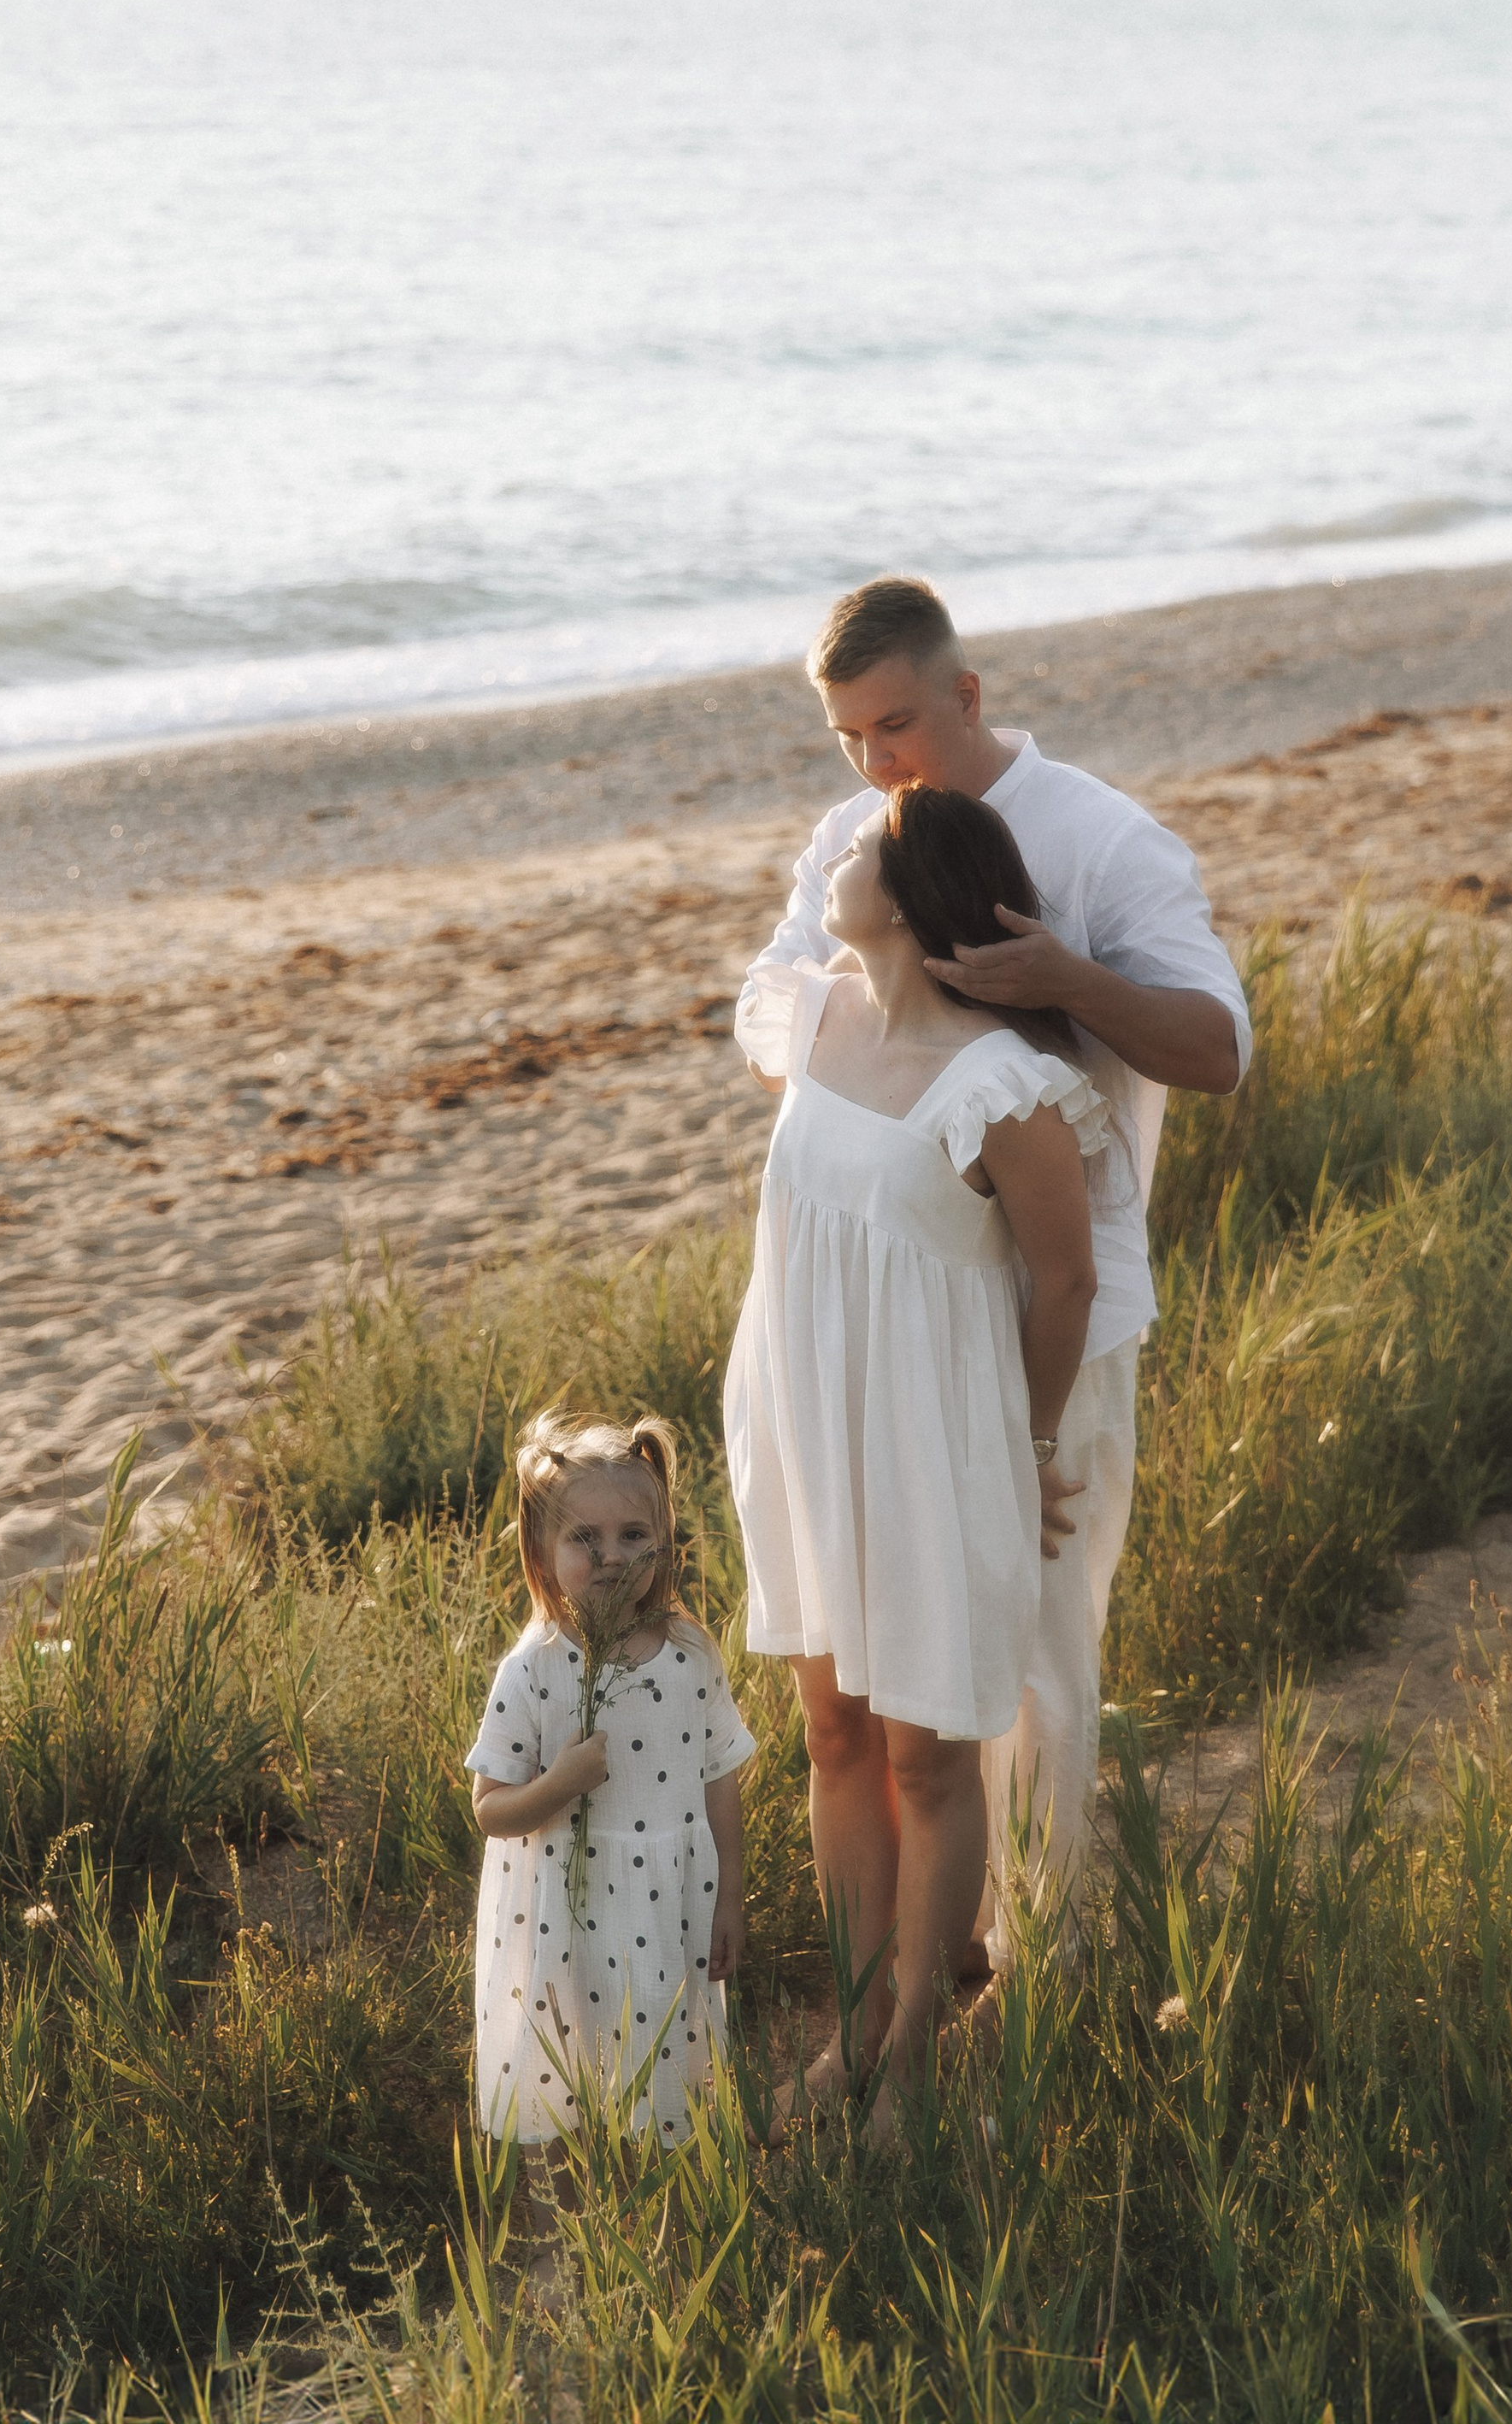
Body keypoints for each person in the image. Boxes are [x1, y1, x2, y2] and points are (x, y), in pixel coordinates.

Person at [735, 574, 1250, 1976]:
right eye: (847, 733)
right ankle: (923, 1963)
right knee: (875, 1656)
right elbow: (772, 1007)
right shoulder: (852, 836)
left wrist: (1058, 982)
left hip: (1049, 1319)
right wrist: (893, 1044)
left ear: (966, 693)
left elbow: (1215, 1048)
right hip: (877, 1321)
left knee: (1030, 1653)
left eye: (894, 721)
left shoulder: (1101, 836)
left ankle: (1044, 1966)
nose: (872, 760)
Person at [725, 781, 1115, 2120]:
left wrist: (1034, 1440)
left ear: (906, 896)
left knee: (928, 1760)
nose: (833, 849)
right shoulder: (816, 1011)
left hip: (934, 1448)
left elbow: (1064, 1284)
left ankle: (908, 2074)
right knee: (834, 1738)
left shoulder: (1005, 1087)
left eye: (862, 846)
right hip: (805, 1418)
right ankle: (853, 2030)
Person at [466, 1409, 756, 2147]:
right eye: (583, 1540)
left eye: (633, 1536)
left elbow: (719, 1778)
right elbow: (491, 1810)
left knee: (661, 2048)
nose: (611, 1558)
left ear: (662, 1541)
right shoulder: (533, 1667)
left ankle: (662, 2200)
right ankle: (564, 2213)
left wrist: (730, 1895)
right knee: (565, 2057)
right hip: (563, 1910)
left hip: (668, 1905)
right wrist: (560, 1781)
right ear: (541, 1550)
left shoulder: (690, 1653)